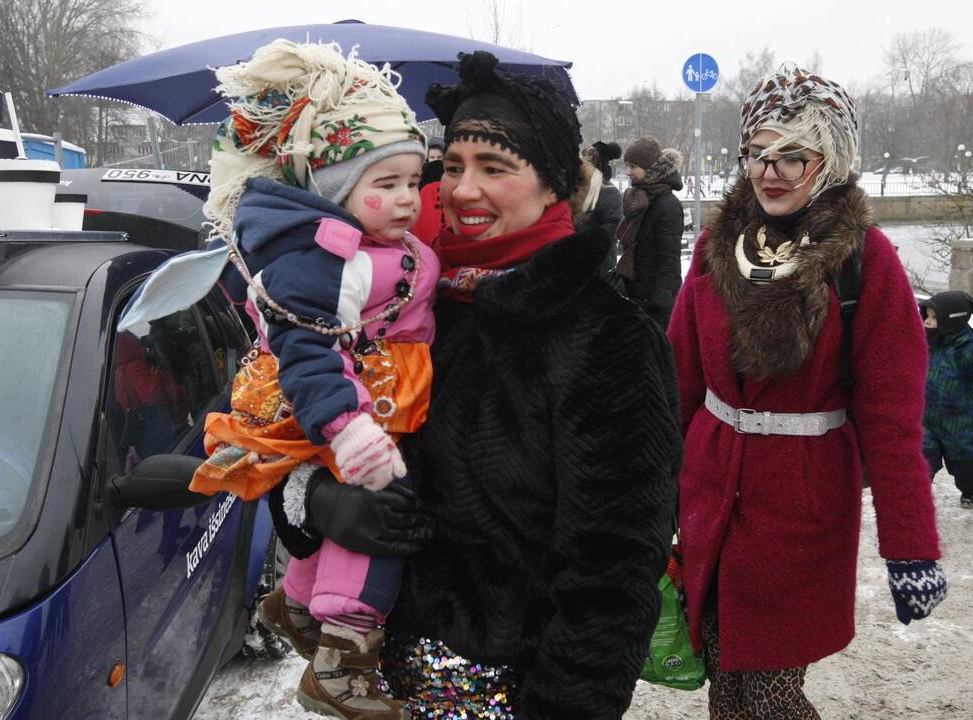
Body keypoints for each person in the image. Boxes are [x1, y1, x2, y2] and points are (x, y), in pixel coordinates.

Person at [267, 50, 683, 719]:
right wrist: (316, 502)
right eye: (452, 167)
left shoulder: (605, 337)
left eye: (494, 169)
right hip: (374, 686)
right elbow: (292, 441)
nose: (461, 191)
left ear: (552, 185)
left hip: (507, 696)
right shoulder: (402, 309)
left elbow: (611, 576)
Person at [124, 40, 439, 720]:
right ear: (335, 188)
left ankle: (294, 603)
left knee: (348, 523)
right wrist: (349, 429)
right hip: (346, 412)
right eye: (385, 185)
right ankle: (342, 660)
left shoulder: (371, 247)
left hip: (375, 402)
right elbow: (307, 352)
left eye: (414, 182)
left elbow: (405, 291)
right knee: (378, 519)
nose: (408, 199)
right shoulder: (327, 257)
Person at [667, 63, 947, 719]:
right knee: (726, 686)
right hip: (709, 496)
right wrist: (648, 499)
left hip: (800, 504)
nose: (770, 172)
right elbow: (675, 383)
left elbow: (889, 420)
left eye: (792, 157)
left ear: (830, 161)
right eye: (758, 154)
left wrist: (909, 547)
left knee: (770, 694)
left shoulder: (864, 260)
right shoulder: (716, 245)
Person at [920, 290, 973, 508]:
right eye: (927, 316)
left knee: (965, 459)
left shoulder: (967, 350)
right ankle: (917, 491)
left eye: (934, 317)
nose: (927, 322)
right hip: (925, 418)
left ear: (951, 321)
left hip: (959, 422)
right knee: (921, 457)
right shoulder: (925, 344)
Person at [616, 135, 685, 328]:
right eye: (627, 166)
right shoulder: (643, 198)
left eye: (633, 167)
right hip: (638, 290)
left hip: (656, 298)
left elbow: (669, 256)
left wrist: (661, 295)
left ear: (649, 169)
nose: (628, 172)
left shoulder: (667, 205)